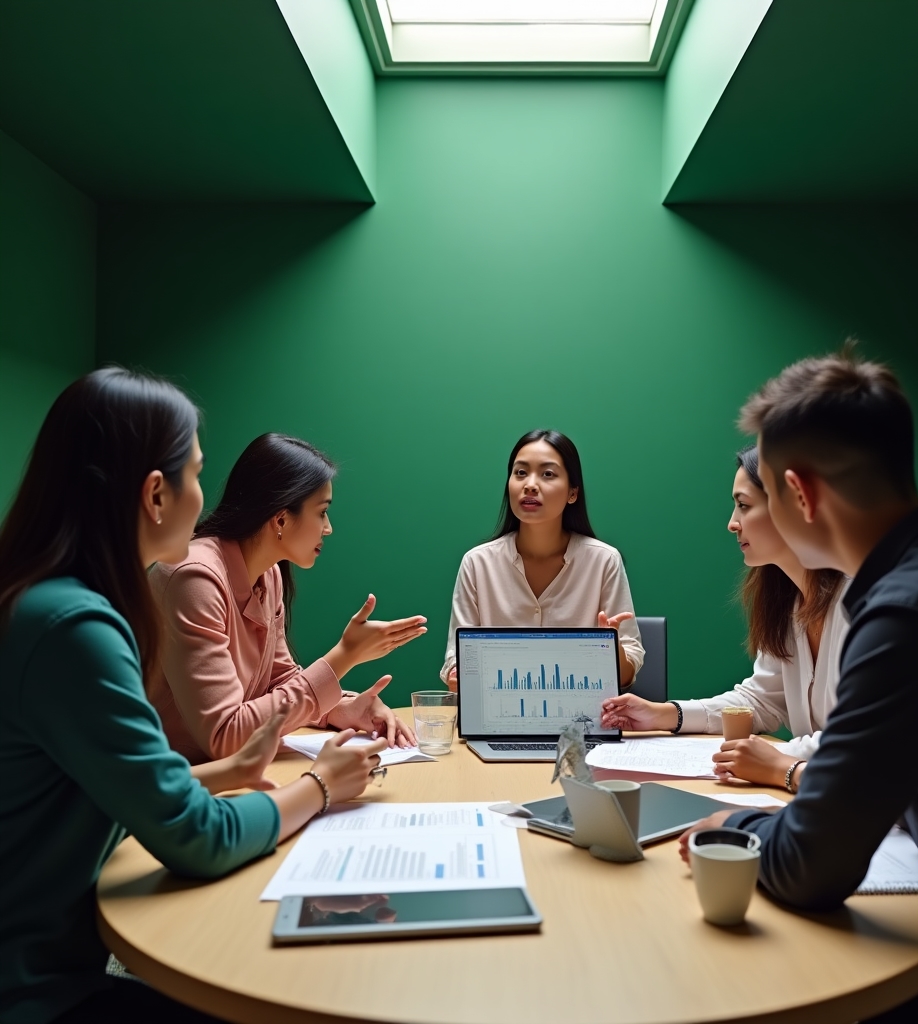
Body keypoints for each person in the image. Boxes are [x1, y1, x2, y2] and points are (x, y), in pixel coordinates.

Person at [0, 369, 386, 1024]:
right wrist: (319, 787)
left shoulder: (54, 606)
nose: (205, 499)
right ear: (156, 493)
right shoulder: (76, 629)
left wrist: (231, 772)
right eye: (197, 473)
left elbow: (110, 787)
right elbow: (197, 837)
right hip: (36, 991)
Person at [679, 347, 918, 1023]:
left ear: (801, 495)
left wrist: (728, 826)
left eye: (764, 494)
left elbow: (811, 867)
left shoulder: (910, 618)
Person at [148, 434, 427, 763]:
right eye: (322, 512)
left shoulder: (268, 575)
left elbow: (278, 684)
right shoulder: (193, 578)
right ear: (280, 519)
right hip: (172, 779)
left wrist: (343, 708)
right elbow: (224, 737)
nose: (328, 528)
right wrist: (345, 656)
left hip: (232, 774)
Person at [600, 446, 849, 790]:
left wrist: (776, 760)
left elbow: (864, 737)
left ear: (793, 506)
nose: (732, 523)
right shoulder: (788, 601)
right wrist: (665, 714)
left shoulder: (859, 602)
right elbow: (761, 700)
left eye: (744, 505)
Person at [441, 429, 644, 691]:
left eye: (547, 474)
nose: (530, 485)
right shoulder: (477, 563)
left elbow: (628, 671)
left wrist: (611, 648)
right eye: (520, 473)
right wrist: (458, 673)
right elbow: (456, 660)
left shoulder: (604, 561)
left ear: (572, 493)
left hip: (580, 715)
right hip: (499, 711)